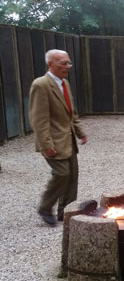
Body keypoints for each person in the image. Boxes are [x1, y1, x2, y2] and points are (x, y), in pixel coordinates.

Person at [29, 49, 87, 226]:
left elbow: (71, 112)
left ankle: (67, 212)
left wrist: (80, 132)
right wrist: (46, 144)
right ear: (50, 64)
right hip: (53, 141)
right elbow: (38, 119)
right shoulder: (41, 85)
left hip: (68, 139)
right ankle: (45, 207)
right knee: (62, 173)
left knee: (72, 177)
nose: (68, 66)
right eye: (63, 63)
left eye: (69, 63)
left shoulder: (64, 83)